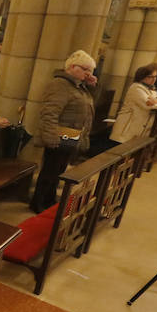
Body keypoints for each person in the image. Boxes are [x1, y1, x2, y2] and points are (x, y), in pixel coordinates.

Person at [29, 50, 96, 214]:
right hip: (58, 135)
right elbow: (50, 112)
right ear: (72, 67)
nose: (88, 73)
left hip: (70, 135)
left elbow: (86, 105)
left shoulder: (79, 86)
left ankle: (49, 200)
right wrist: (51, 138)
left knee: (58, 171)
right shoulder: (60, 84)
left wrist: (91, 86)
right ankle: (38, 203)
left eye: (91, 70)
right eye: (85, 69)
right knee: (49, 171)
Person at [109, 64, 157, 145]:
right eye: (150, 77)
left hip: (141, 126)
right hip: (128, 127)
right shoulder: (136, 88)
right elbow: (149, 106)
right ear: (141, 76)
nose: (153, 79)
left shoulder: (151, 88)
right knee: (119, 149)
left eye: (155, 77)